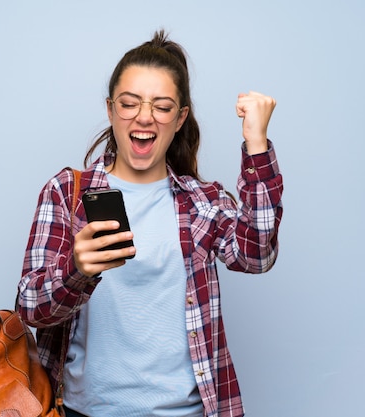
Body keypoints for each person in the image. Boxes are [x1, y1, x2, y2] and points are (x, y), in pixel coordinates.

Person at [17, 30, 283, 417]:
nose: (144, 116)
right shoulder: (67, 193)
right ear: (111, 111)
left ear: (180, 119)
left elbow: (258, 255)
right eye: (129, 104)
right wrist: (76, 271)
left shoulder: (201, 202)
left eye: (161, 106)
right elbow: (29, 307)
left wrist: (256, 143)